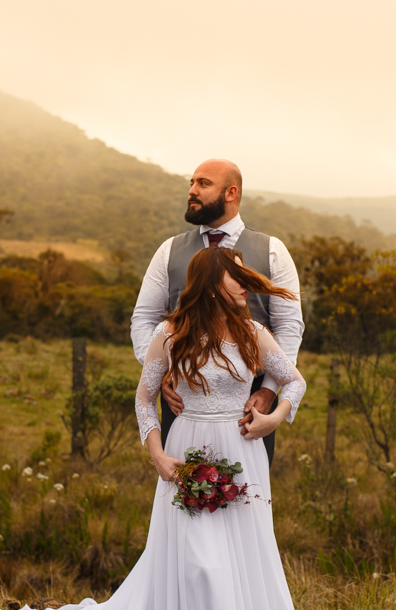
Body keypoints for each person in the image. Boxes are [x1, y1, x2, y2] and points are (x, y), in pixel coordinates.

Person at [0, 247, 329, 610]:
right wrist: (158, 456)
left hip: (242, 452)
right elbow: (144, 398)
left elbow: (296, 381)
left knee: (239, 557)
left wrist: (274, 418)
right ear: (211, 283)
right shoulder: (170, 334)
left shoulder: (254, 333)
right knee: (200, 563)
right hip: (186, 451)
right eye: (237, 277)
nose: (247, 285)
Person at [130, 159, 304, 466]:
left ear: (231, 193)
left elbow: (289, 326)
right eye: (192, 183)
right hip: (182, 397)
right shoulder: (168, 250)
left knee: (245, 487)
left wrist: (269, 390)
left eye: (203, 183)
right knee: (183, 485)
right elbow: (144, 318)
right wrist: (163, 373)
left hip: (250, 401)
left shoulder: (272, 250)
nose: (192, 191)